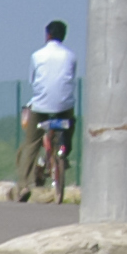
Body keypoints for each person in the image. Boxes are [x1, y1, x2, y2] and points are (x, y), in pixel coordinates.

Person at [25, 19, 79, 201]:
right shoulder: (71, 56)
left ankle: (23, 184)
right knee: (70, 125)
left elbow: (32, 81)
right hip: (64, 105)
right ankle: (64, 151)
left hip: (41, 105)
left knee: (31, 143)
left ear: (47, 35)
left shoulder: (37, 56)